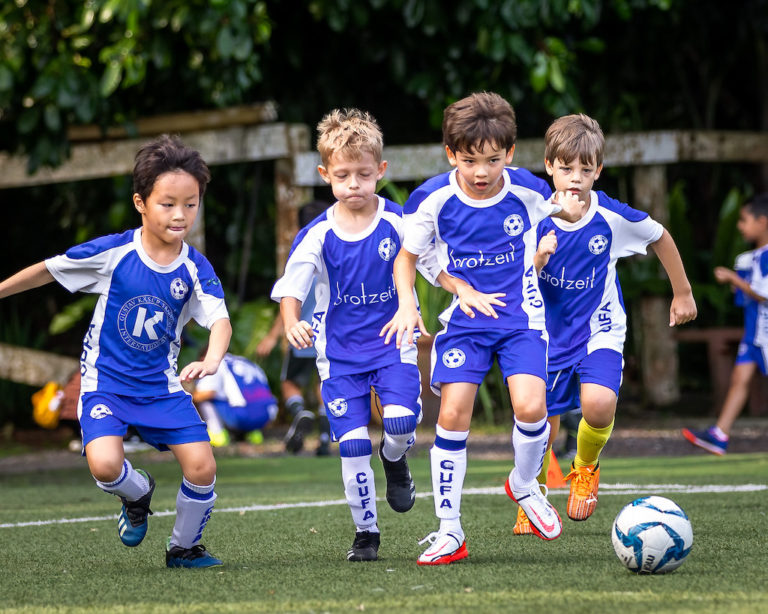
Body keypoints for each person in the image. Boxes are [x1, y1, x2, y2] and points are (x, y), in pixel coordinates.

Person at [0, 134, 232, 568]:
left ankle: (183, 548)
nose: (180, 215)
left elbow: (220, 319)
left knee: (202, 467)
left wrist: (213, 358)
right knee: (106, 465)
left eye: (191, 203)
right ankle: (138, 493)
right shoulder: (115, 253)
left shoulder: (195, 267)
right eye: (168, 204)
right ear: (141, 203)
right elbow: (49, 271)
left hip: (161, 389)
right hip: (106, 385)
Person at [381, 92, 588, 565]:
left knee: (533, 408)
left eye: (493, 160)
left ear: (510, 154)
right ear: (451, 154)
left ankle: (523, 483)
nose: (481, 172)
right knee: (452, 415)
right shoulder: (431, 198)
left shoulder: (528, 190)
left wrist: (570, 212)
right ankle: (450, 532)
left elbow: (565, 203)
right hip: (466, 325)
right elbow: (408, 259)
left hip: (521, 319)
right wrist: (420, 300)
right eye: (470, 160)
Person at [513, 113, 697, 534]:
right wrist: (538, 257)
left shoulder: (611, 217)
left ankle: (585, 467)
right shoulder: (531, 217)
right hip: (543, 335)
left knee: (598, 404)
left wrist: (683, 292)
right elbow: (514, 274)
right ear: (549, 165)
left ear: (598, 170)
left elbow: (659, 236)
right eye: (565, 167)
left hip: (600, 330)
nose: (574, 178)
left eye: (584, 168)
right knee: (540, 418)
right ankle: (533, 494)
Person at [271, 108, 440, 562]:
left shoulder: (399, 222)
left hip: (393, 345)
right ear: (326, 175)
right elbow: (292, 288)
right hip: (339, 356)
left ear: (380, 172)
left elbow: (434, 267)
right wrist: (291, 322)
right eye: (342, 175)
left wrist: (462, 291)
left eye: (364, 174)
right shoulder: (316, 234)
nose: (354, 185)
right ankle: (366, 533)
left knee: (401, 424)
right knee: (352, 444)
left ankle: (395, 459)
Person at [683, 193, 768, 455]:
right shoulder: (753, 257)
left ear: (763, 221)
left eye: (744, 220)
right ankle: (720, 434)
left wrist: (734, 280)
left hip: (765, 332)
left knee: (740, 380)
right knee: (739, 380)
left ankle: (720, 433)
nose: (740, 226)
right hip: (754, 333)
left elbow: (765, 294)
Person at [257, 200, 332, 456]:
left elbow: (291, 301)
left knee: (290, 382)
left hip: (301, 334)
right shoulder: (334, 254)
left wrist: (273, 335)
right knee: (324, 381)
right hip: (330, 335)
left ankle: (300, 412)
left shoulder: (301, 257)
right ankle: (324, 433)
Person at [193, 352, 278, 447]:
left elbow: (205, 393)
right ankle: (253, 434)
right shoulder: (246, 361)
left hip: (241, 416)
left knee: (203, 400)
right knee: (247, 400)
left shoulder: (214, 363)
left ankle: (217, 434)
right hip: (267, 415)